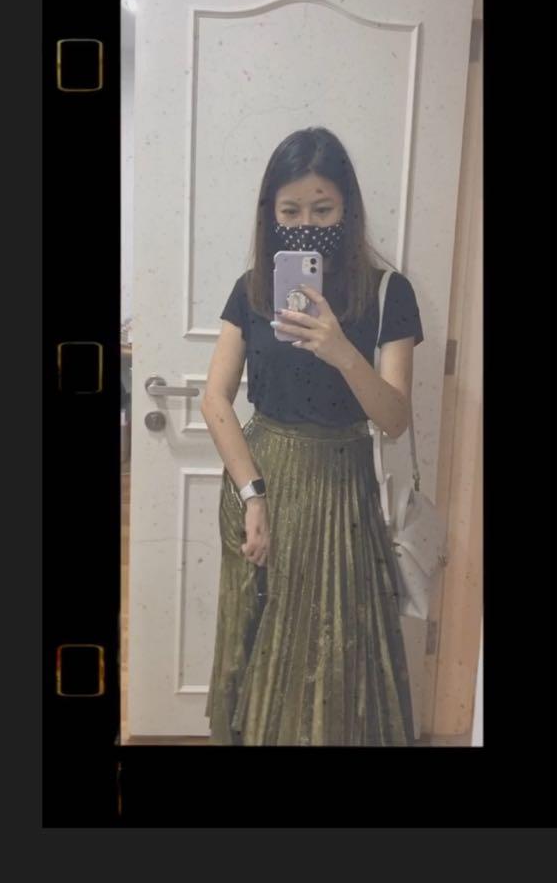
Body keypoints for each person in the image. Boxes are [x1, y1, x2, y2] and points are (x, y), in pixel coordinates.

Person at [202, 127, 424, 746]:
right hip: (261, 482)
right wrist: (252, 495)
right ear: (270, 214)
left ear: (346, 207)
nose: (306, 223)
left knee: (338, 650)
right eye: (290, 210)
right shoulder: (253, 288)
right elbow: (214, 398)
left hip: (341, 490)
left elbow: (394, 418)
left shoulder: (388, 292)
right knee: (257, 640)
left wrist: (341, 349)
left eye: (322, 210)